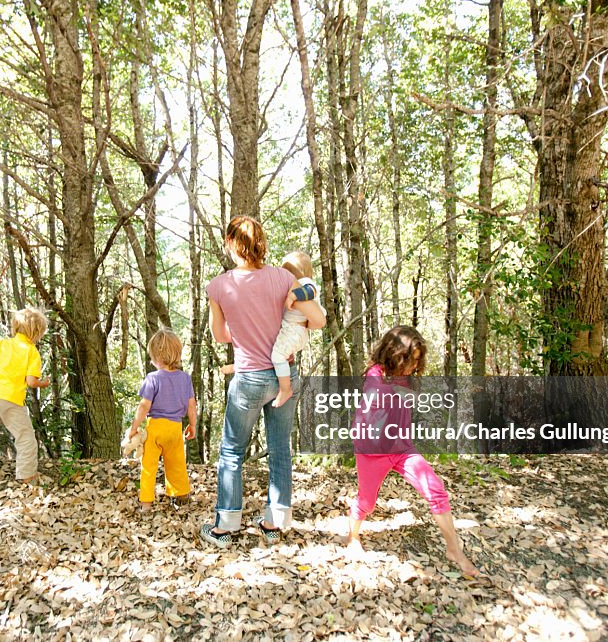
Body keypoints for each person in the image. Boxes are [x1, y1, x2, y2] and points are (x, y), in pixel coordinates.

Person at [200, 216, 326, 548]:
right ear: (261, 244)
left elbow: (218, 335)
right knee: (280, 448)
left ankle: (225, 528)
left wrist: (242, 330)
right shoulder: (284, 278)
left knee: (231, 451)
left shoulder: (218, 286)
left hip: (249, 380)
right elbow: (314, 319)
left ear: (230, 244)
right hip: (285, 375)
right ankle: (275, 524)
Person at [347, 326, 480, 577]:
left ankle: (455, 551)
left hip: (402, 448)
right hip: (371, 450)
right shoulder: (376, 374)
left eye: (417, 360)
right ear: (395, 354)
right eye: (410, 359)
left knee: (437, 491)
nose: (413, 365)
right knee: (367, 502)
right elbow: (377, 395)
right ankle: (353, 537)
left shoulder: (408, 377)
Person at [219, 250, 323, 409]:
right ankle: (239, 365)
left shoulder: (305, 283)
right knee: (266, 345)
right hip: (291, 328)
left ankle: (285, 389)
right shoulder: (291, 286)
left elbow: (310, 291)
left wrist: (293, 296)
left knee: (277, 355)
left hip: (294, 330)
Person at [0, 307, 51, 484]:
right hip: (9, 397)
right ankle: (26, 477)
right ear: (37, 332)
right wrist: (43, 383)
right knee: (25, 437)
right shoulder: (31, 352)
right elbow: (31, 382)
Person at [127, 328, 197, 512]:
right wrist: (193, 425)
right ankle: (180, 496)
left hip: (155, 428)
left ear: (156, 357)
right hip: (175, 428)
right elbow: (192, 405)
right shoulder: (185, 379)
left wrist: (134, 427)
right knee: (176, 463)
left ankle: (146, 504)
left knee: (148, 466)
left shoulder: (153, 378)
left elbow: (144, 406)